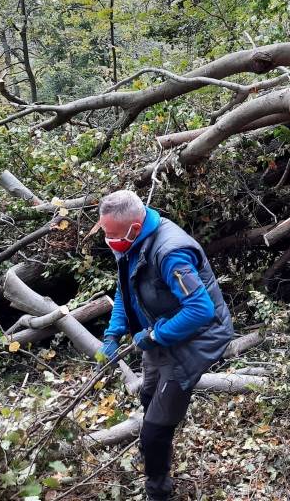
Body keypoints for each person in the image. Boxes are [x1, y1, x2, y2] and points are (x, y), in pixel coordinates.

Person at [97, 190, 233, 500]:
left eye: (113, 234)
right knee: (147, 396)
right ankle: (156, 452)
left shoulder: (171, 252)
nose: (109, 240)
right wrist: (113, 334)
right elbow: (125, 290)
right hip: (160, 330)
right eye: (105, 233)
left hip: (195, 338)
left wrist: (156, 336)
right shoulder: (131, 241)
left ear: (135, 224)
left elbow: (201, 310)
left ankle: (158, 490)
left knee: (156, 427)